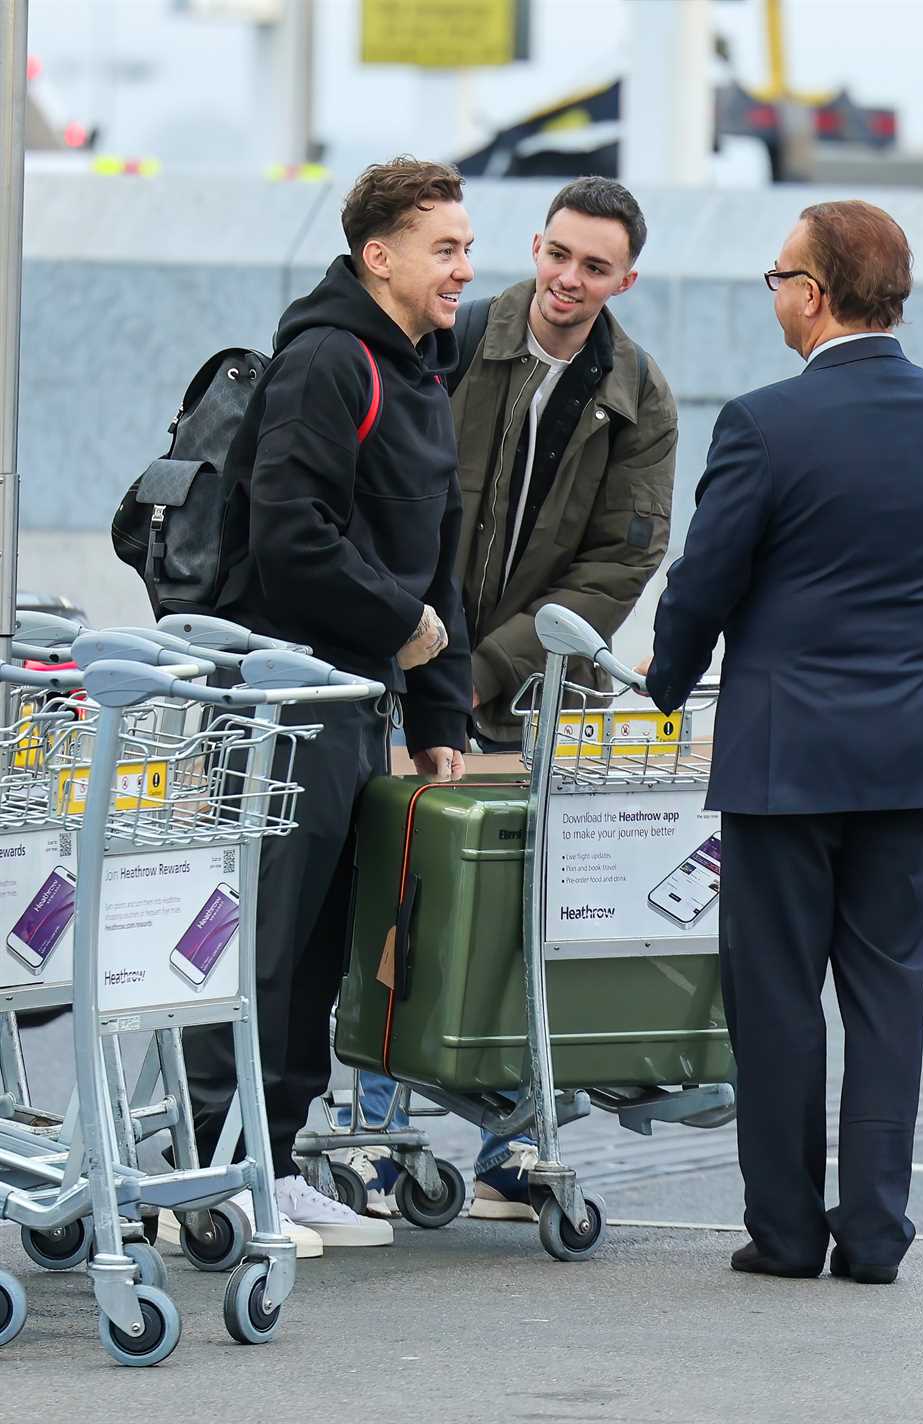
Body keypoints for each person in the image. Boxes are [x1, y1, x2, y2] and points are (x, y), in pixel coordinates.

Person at [644, 200, 923, 1281]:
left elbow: (706, 576)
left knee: (776, 994)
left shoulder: (761, 422)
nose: (775, 295)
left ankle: (789, 1232)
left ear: (815, 292)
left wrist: (664, 681)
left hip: (783, 754)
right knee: (888, 995)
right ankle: (877, 1234)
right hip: (912, 747)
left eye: (778, 276)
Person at [345, 177, 678, 1223]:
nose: (567, 282)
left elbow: (617, 568)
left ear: (625, 278)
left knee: (526, 917)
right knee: (394, 901)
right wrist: (422, 652)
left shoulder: (641, 397)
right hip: (410, 658)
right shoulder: (452, 336)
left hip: (530, 684)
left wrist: (480, 664)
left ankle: (507, 1145)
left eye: (594, 268)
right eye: (557, 256)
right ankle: (372, 1132)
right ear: (534, 246)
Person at [176, 157, 475, 1255]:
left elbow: (436, 558)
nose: (463, 267)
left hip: (354, 698)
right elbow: (291, 536)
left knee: (315, 949)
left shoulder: (421, 374)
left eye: (466, 246)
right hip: (277, 699)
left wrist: (440, 716)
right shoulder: (326, 362)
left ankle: (269, 1153)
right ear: (378, 255)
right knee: (257, 938)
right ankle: (205, 1169)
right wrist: (403, 627)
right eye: (444, 247)